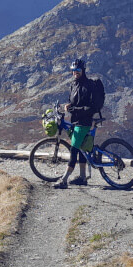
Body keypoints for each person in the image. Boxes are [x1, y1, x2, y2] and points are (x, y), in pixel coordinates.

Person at [54, 58, 100, 188]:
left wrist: (75, 109)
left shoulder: (88, 85)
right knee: (81, 149)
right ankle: (83, 178)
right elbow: (74, 101)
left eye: (78, 70)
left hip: (84, 122)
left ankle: (64, 180)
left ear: (83, 70)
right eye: (73, 70)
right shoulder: (74, 84)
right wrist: (69, 105)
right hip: (76, 120)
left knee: (74, 149)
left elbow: (90, 107)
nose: (75, 72)